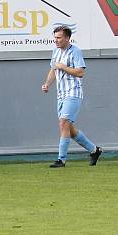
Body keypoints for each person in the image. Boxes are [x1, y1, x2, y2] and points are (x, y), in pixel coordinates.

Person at [42, 26, 102, 168]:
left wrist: (63, 67)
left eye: (59, 37)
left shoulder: (75, 51)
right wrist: (47, 84)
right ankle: (94, 150)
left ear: (67, 38)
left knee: (63, 123)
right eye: (55, 37)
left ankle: (61, 160)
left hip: (73, 93)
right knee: (69, 128)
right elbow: (53, 69)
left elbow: (80, 72)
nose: (56, 40)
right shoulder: (56, 51)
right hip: (61, 95)